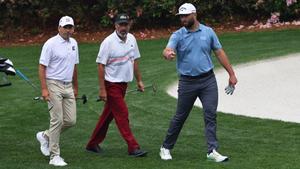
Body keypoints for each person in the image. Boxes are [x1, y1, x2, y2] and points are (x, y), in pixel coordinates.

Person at [159, 3, 238, 162]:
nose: (183, 19)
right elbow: (167, 49)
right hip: (187, 83)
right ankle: (166, 147)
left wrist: (231, 74)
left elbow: (219, 52)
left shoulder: (208, 32)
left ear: (194, 14)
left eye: (186, 15)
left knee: (210, 115)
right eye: (181, 16)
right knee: (180, 117)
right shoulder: (178, 35)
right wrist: (167, 54)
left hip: (208, 81)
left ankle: (212, 150)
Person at [86, 14, 147, 157]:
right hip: (111, 84)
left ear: (129, 25)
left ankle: (92, 144)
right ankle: (133, 147)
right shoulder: (108, 42)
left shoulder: (132, 39)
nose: (123, 27)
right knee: (122, 114)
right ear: (116, 25)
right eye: (121, 24)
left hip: (124, 84)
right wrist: (102, 89)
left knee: (108, 115)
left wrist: (139, 80)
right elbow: (100, 66)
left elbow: (135, 61)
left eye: (126, 24)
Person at [36, 16, 79, 167]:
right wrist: (44, 89)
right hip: (53, 84)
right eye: (65, 27)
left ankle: (45, 136)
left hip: (68, 86)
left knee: (71, 120)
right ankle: (54, 156)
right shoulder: (50, 44)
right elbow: (42, 67)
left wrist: (75, 86)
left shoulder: (74, 43)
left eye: (70, 27)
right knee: (57, 120)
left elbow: (74, 66)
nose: (68, 30)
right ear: (59, 28)